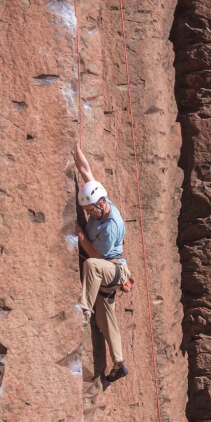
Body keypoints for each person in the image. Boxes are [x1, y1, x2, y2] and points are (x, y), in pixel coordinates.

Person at [75, 144, 133, 384]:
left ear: (100, 205)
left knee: (91, 266)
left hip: (113, 269)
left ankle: (84, 310)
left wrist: (79, 234)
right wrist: (75, 148)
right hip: (105, 279)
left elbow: (96, 257)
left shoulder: (111, 228)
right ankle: (118, 363)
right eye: (85, 211)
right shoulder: (100, 196)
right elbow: (85, 170)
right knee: (106, 320)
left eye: (90, 211)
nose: (88, 214)